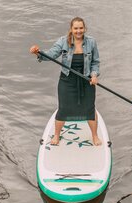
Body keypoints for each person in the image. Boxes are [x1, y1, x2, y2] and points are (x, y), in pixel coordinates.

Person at [30, 17, 101, 146]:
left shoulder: (91, 42)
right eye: (76, 28)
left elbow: (95, 62)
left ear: (84, 29)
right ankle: (57, 135)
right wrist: (38, 53)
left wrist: (94, 75)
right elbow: (50, 55)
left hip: (86, 80)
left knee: (90, 108)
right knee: (63, 108)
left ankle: (95, 136)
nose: (78, 31)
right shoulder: (63, 42)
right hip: (67, 80)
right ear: (71, 29)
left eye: (81, 28)